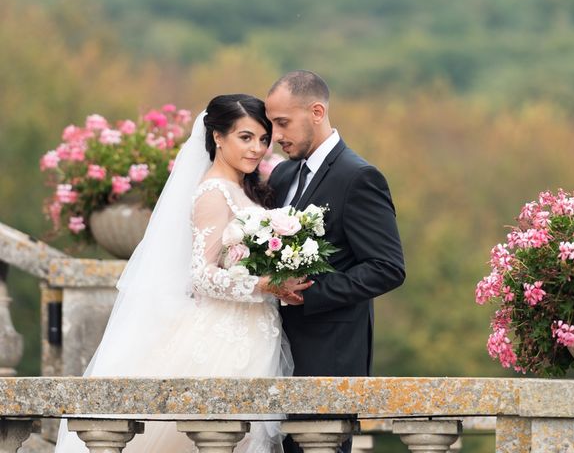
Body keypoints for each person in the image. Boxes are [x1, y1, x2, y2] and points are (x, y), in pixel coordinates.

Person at [54, 94, 304, 453]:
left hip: (252, 330)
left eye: (263, 139)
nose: (257, 149)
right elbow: (200, 276)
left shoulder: (240, 188)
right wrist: (263, 284)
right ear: (218, 137)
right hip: (224, 336)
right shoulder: (213, 193)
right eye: (245, 137)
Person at [265, 70, 406, 453]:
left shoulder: (359, 177)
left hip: (330, 353)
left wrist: (308, 293)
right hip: (274, 351)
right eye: (272, 125)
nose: (276, 136)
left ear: (316, 111)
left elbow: (387, 267)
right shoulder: (282, 174)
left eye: (282, 123)